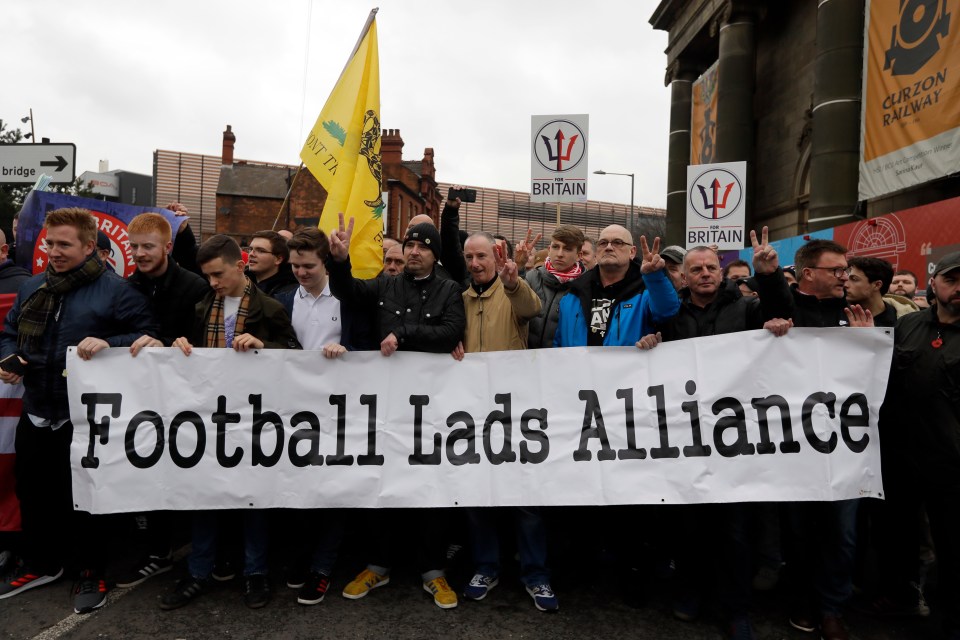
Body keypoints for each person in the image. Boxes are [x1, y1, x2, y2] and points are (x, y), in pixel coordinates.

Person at [0, 208, 157, 614]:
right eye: (50, 243)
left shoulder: (117, 291)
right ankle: (41, 563)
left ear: (90, 247)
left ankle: (92, 571)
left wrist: (110, 342)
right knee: (34, 489)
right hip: (38, 409)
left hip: (85, 417)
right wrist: (10, 356)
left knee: (86, 497)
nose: (54, 251)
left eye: (64, 244)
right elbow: (10, 332)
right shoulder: (33, 286)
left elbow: (148, 337)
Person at [643, 228, 792, 640]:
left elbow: (779, 309)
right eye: (696, 269)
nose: (705, 274)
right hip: (689, 439)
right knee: (689, 527)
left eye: (711, 267)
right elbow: (658, 351)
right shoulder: (673, 318)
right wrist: (650, 344)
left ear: (722, 272)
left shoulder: (745, 309)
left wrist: (770, 276)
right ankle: (692, 593)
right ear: (684, 278)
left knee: (735, 531)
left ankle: (736, 608)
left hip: (735, 440)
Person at [328, 214, 465, 609]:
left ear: (435, 255)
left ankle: (433, 571)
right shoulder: (387, 284)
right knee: (382, 484)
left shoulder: (449, 289)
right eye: (409, 245)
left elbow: (450, 334)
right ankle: (379, 564)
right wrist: (339, 263)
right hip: (387, 405)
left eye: (423, 246)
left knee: (429, 488)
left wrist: (403, 334)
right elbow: (350, 293)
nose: (414, 252)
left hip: (432, 408)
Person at [160, 235, 299, 612]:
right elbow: (188, 345)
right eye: (207, 276)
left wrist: (263, 346)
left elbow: (296, 356)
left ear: (240, 265)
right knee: (205, 494)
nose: (213, 283)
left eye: (218, 274)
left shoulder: (269, 308)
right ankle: (199, 571)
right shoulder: (204, 304)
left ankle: (255, 573)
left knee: (253, 497)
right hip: (210, 415)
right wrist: (180, 346)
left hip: (255, 417)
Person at [450, 233, 556, 611]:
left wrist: (514, 281)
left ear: (497, 260)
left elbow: (532, 308)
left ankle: (536, 575)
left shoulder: (513, 292)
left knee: (525, 501)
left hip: (516, 415)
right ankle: (486, 567)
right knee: (480, 499)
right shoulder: (460, 300)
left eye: (482, 256)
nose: (476, 263)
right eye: (470, 256)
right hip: (474, 415)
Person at [784, 239, 873, 640]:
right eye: (836, 270)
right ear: (808, 274)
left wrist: (867, 343)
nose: (845, 277)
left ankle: (832, 607)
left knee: (842, 531)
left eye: (847, 271)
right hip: (793, 444)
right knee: (800, 530)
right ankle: (802, 599)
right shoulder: (777, 310)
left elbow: (874, 382)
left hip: (843, 445)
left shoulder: (856, 314)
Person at [117, 212, 209, 589]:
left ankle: (183, 544)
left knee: (182, 470)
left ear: (167, 247)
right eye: (134, 247)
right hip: (140, 397)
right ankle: (156, 549)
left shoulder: (194, 286)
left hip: (183, 398)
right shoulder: (125, 286)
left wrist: (171, 345)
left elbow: (203, 341)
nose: (139, 254)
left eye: (147, 247)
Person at [874, 251, 960, 639]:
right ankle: (904, 596)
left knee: (951, 543)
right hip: (902, 457)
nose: (959, 288)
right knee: (901, 535)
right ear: (936, 283)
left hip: (952, 463)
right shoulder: (908, 324)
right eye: (952, 279)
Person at [554, 226, 679, 347]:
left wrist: (654, 277)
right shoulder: (573, 293)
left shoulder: (646, 290)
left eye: (617, 242)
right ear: (596, 252)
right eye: (603, 243)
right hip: (579, 368)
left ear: (632, 252)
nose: (608, 247)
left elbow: (667, 312)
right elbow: (558, 343)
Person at [525, 225, 586, 349]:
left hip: (563, 362)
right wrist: (519, 268)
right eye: (555, 247)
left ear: (579, 255)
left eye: (567, 249)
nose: (560, 254)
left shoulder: (586, 286)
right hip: (528, 359)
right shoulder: (532, 278)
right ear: (549, 249)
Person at [844, 257, 916, 327]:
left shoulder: (905, 319)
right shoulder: (836, 313)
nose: (845, 285)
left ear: (877, 285)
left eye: (854, 279)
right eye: (845, 279)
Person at [246, 230, 298, 296]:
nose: (251, 254)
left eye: (261, 251)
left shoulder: (288, 294)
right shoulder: (239, 283)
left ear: (278, 259)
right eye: (250, 249)